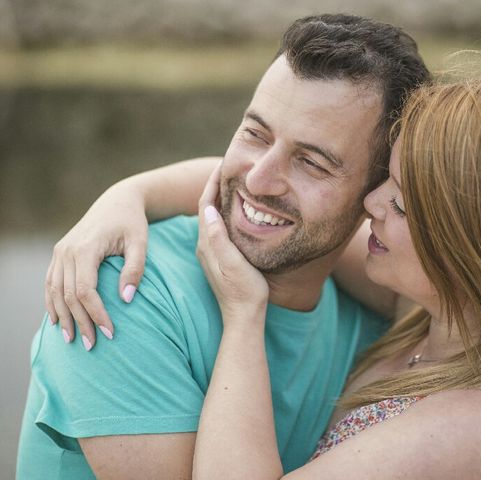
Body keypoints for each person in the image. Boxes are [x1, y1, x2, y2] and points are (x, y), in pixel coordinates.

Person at [38, 61, 481, 479]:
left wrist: (243, 315)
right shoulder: (464, 320)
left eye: (399, 202)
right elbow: (266, 190)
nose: (370, 206)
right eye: (381, 184)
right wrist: (130, 194)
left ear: (477, 247)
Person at [17, 14, 430, 479]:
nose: (258, 178)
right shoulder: (120, 292)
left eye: (311, 163)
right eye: (255, 133)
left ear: (374, 195)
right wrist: (130, 192)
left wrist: (137, 191)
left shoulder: (383, 305)